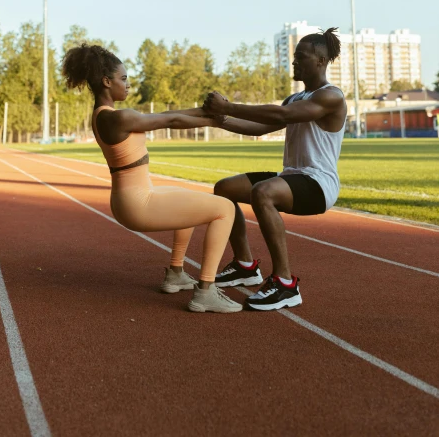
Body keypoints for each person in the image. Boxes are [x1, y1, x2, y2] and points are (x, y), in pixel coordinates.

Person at [61, 43, 242, 314]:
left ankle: (176, 274)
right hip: (137, 204)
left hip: (132, 197)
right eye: (123, 79)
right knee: (225, 209)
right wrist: (214, 121)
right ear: (107, 82)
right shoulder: (118, 118)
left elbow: (167, 115)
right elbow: (171, 122)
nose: (128, 84)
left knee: (190, 197)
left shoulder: (109, 115)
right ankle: (205, 291)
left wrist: (204, 110)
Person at [203, 28, 347, 312]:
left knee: (263, 192)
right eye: (294, 57)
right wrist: (221, 120)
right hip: (292, 177)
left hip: (319, 184)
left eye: (300, 57)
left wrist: (229, 105)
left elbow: (280, 116)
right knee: (224, 189)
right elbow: (262, 126)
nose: (294, 62)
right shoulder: (295, 98)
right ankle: (245, 265)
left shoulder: (331, 97)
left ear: (320, 60)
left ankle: (285, 283)